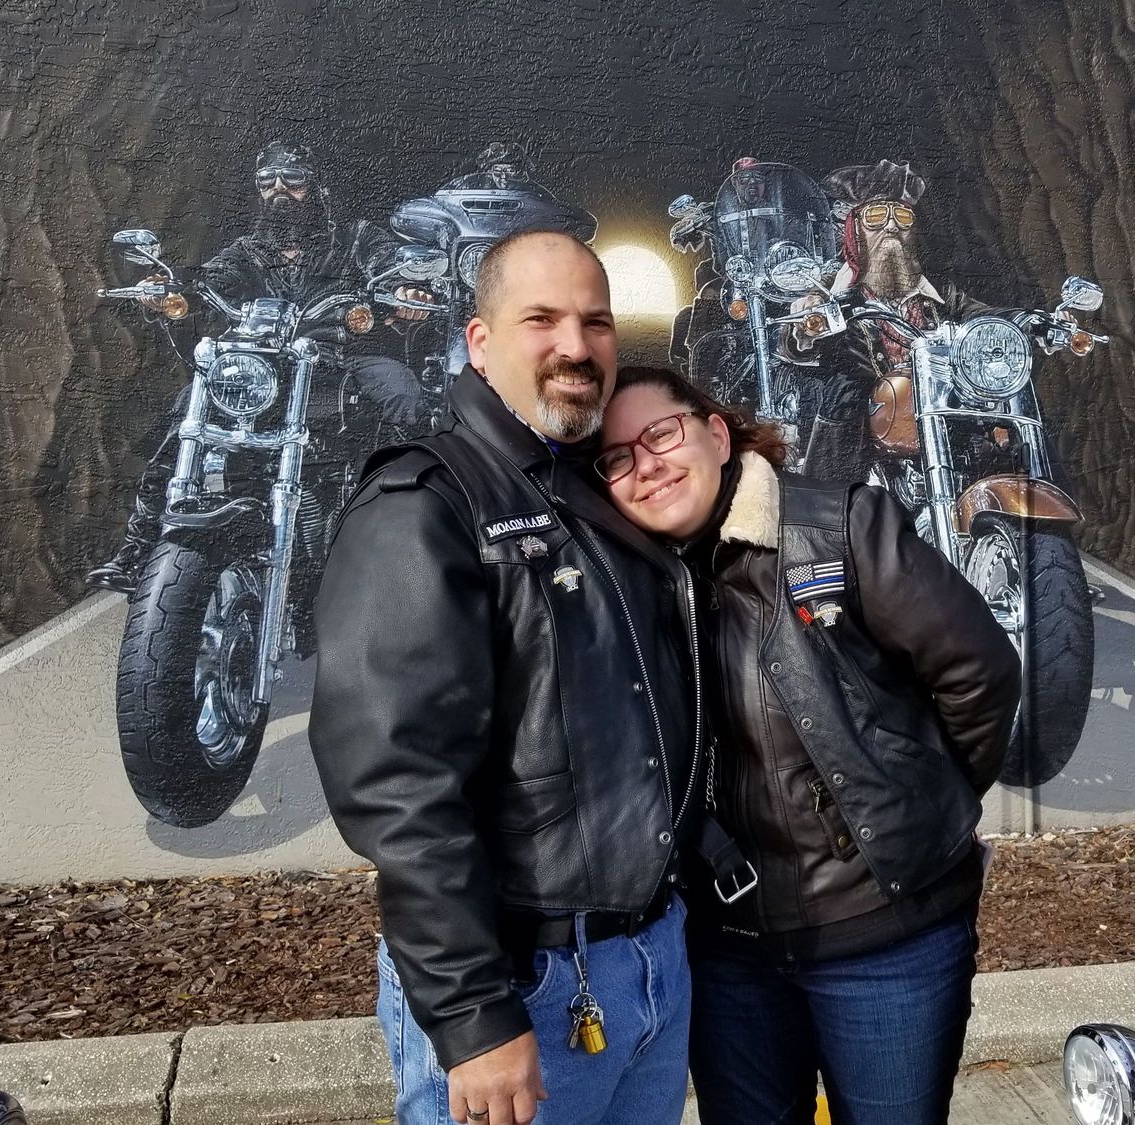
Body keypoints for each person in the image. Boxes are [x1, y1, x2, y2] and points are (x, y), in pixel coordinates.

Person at [308, 232, 706, 1125]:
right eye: (542, 320)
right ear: (479, 342)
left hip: (650, 963)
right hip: (524, 987)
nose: (576, 345)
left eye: (596, 322)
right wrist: (473, 1014)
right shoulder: (424, 508)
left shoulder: (607, 492)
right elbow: (399, 787)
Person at [594, 365, 1024, 1124]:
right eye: (617, 457)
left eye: (660, 434)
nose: (647, 465)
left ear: (716, 434)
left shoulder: (841, 527)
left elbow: (979, 672)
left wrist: (911, 809)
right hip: (727, 951)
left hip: (887, 938)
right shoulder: (625, 584)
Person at [86, 140, 435, 592]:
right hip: (272, 365)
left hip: (347, 356)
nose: (279, 191)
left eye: (293, 180)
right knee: (187, 412)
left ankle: (425, 528)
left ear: (316, 187)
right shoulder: (248, 250)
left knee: (405, 396)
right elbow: (210, 279)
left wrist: (407, 292)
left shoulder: (355, 238)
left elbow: (391, 269)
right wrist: (169, 289)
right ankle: (138, 547)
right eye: (267, 181)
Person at [785, 159, 994, 484]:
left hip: (938, 403)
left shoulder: (939, 291)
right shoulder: (833, 288)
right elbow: (798, 334)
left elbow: (980, 314)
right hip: (868, 421)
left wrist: (1027, 322)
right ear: (856, 230)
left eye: (902, 217)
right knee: (845, 393)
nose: (891, 226)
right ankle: (832, 502)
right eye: (877, 216)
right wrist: (808, 325)